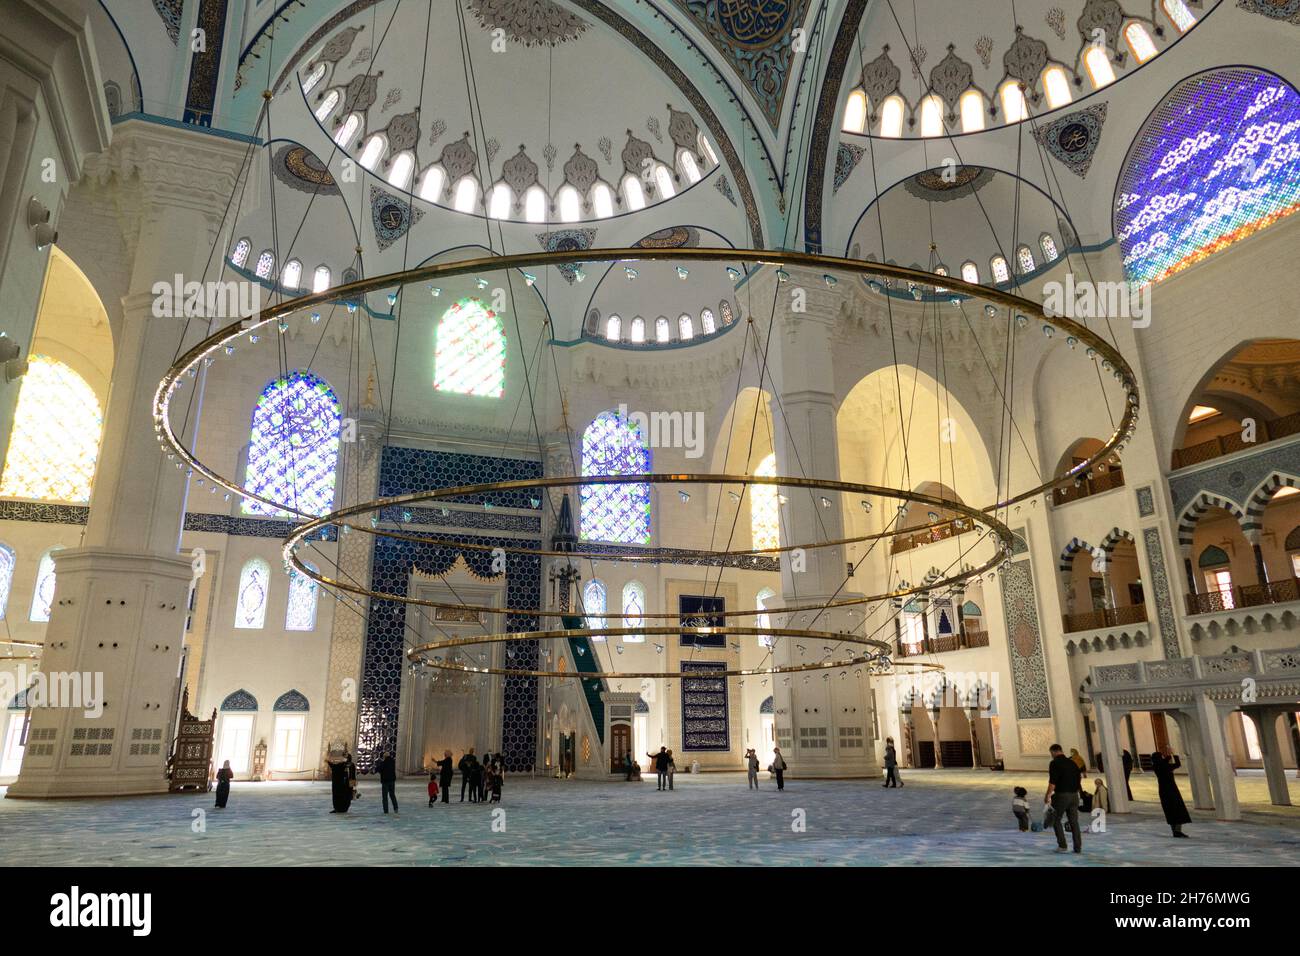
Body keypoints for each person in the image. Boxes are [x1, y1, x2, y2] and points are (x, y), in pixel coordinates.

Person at [1045, 743, 1083, 853]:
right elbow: (1079, 779)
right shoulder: (1073, 763)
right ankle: (1077, 847)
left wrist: (1047, 795)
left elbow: (1052, 782)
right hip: (1074, 796)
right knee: (1074, 822)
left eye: (1051, 753)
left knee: (1056, 820)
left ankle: (1062, 846)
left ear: (1053, 752)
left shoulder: (1054, 763)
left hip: (1061, 795)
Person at [1151, 746, 1191, 838]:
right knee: (1177, 809)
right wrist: (1173, 754)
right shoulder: (1164, 766)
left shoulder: (1156, 766)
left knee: (1170, 811)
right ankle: (1177, 831)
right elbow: (1177, 764)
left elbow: (1164, 762)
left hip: (1163, 791)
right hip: (1171, 790)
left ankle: (1175, 831)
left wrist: (1168, 756)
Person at [378, 750, 399, 816]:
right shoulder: (393, 762)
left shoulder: (383, 763)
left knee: (385, 797)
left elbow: (379, 769)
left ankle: (386, 810)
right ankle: (396, 808)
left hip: (385, 781)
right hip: (392, 781)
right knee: (392, 795)